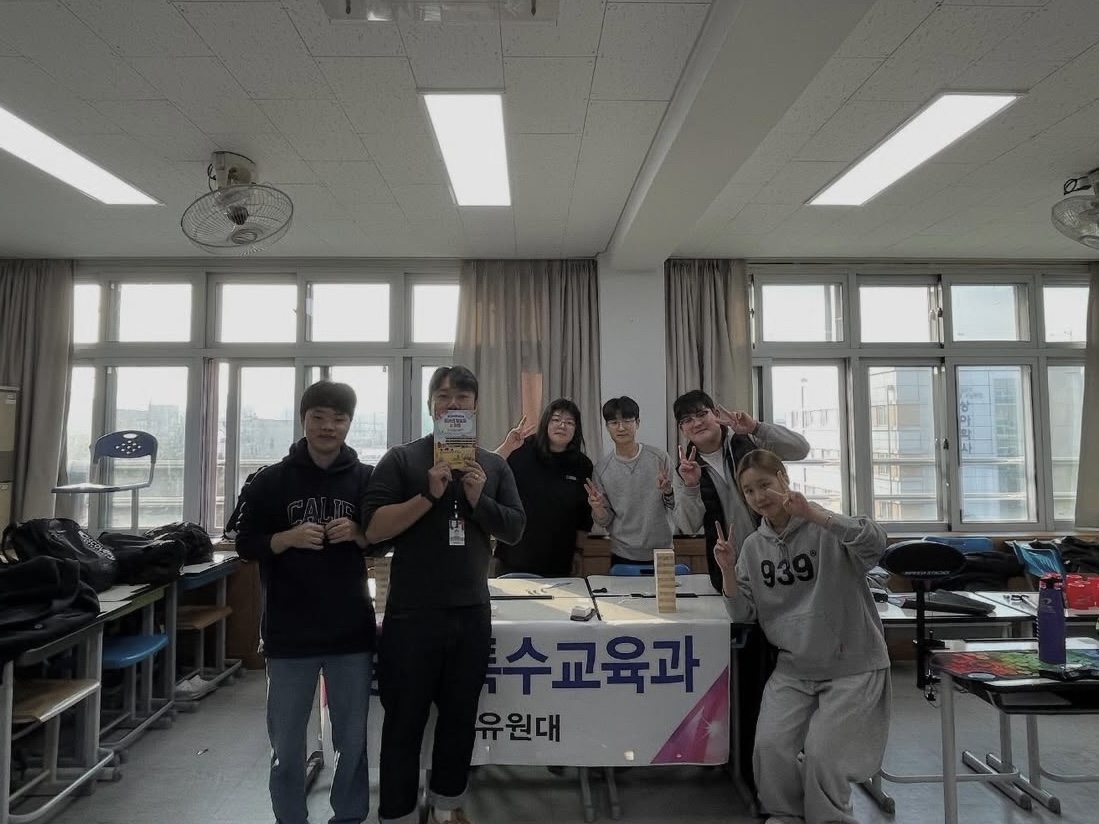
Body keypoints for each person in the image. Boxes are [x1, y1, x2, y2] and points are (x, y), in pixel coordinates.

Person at [363, 365, 525, 824]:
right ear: (431, 405)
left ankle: (447, 807)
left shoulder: (492, 465)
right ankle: (397, 813)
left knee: (459, 718)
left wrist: (477, 499)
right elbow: (372, 530)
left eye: (463, 398)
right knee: (404, 719)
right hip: (411, 613)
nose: (453, 404)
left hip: (472, 611)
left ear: (476, 406)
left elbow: (514, 529)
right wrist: (427, 495)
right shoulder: (402, 459)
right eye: (444, 397)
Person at [713, 449, 891, 824]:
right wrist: (728, 571)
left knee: (824, 756)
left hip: (851, 665)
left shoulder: (825, 528)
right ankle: (785, 815)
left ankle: (829, 819)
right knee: (770, 747)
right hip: (794, 668)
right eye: (749, 491)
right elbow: (743, 612)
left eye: (765, 484)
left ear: (783, 478)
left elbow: (875, 544)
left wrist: (814, 514)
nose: (759, 496)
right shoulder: (753, 547)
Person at [235, 380, 375, 824]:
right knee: (287, 743)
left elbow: (385, 539)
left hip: (350, 631)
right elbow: (244, 543)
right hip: (288, 632)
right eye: (319, 417)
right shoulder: (270, 480)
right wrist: (286, 538)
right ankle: (290, 816)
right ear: (303, 420)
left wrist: (359, 533)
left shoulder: (366, 479)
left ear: (349, 424)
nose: (328, 427)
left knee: (352, 740)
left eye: (339, 418)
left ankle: (349, 815)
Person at [671, 389, 810, 592]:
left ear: (716, 414)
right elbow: (688, 526)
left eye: (702, 414)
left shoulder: (749, 441)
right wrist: (691, 486)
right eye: (688, 420)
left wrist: (756, 428)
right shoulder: (684, 471)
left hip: (780, 555)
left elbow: (801, 449)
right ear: (682, 429)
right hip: (732, 569)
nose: (697, 423)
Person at [493, 399, 594, 577]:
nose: (562, 425)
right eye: (556, 420)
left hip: (559, 559)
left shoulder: (582, 465)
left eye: (569, 422)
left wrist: (578, 551)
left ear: (576, 429)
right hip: (515, 555)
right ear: (546, 423)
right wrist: (507, 447)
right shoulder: (521, 450)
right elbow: (491, 471)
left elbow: (584, 515)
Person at [586, 396, 679, 567]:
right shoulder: (601, 469)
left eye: (627, 421)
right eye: (614, 423)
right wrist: (597, 508)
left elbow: (677, 505)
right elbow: (604, 521)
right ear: (607, 427)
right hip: (622, 553)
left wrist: (668, 492)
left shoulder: (659, 458)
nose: (621, 427)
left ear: (637, 423)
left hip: (662, 551)